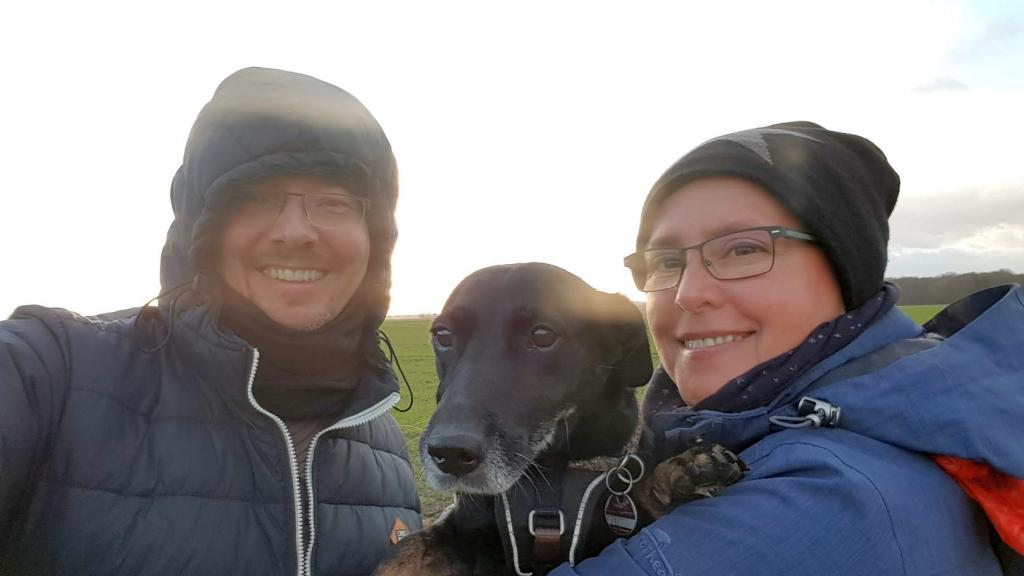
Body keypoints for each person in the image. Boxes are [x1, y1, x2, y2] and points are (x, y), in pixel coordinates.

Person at [551, 121, 1024, 575]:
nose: (687, 294)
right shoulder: (881, 417)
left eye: (743, 249)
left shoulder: (830, 501)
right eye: (666, 261)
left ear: (845, 273)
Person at [0, 67, 421, 576]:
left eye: (333, 203)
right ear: (197, 225)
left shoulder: (381, 437)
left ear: (377, 237)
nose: (295, 232)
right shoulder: (53, 372)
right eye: (254, 198)